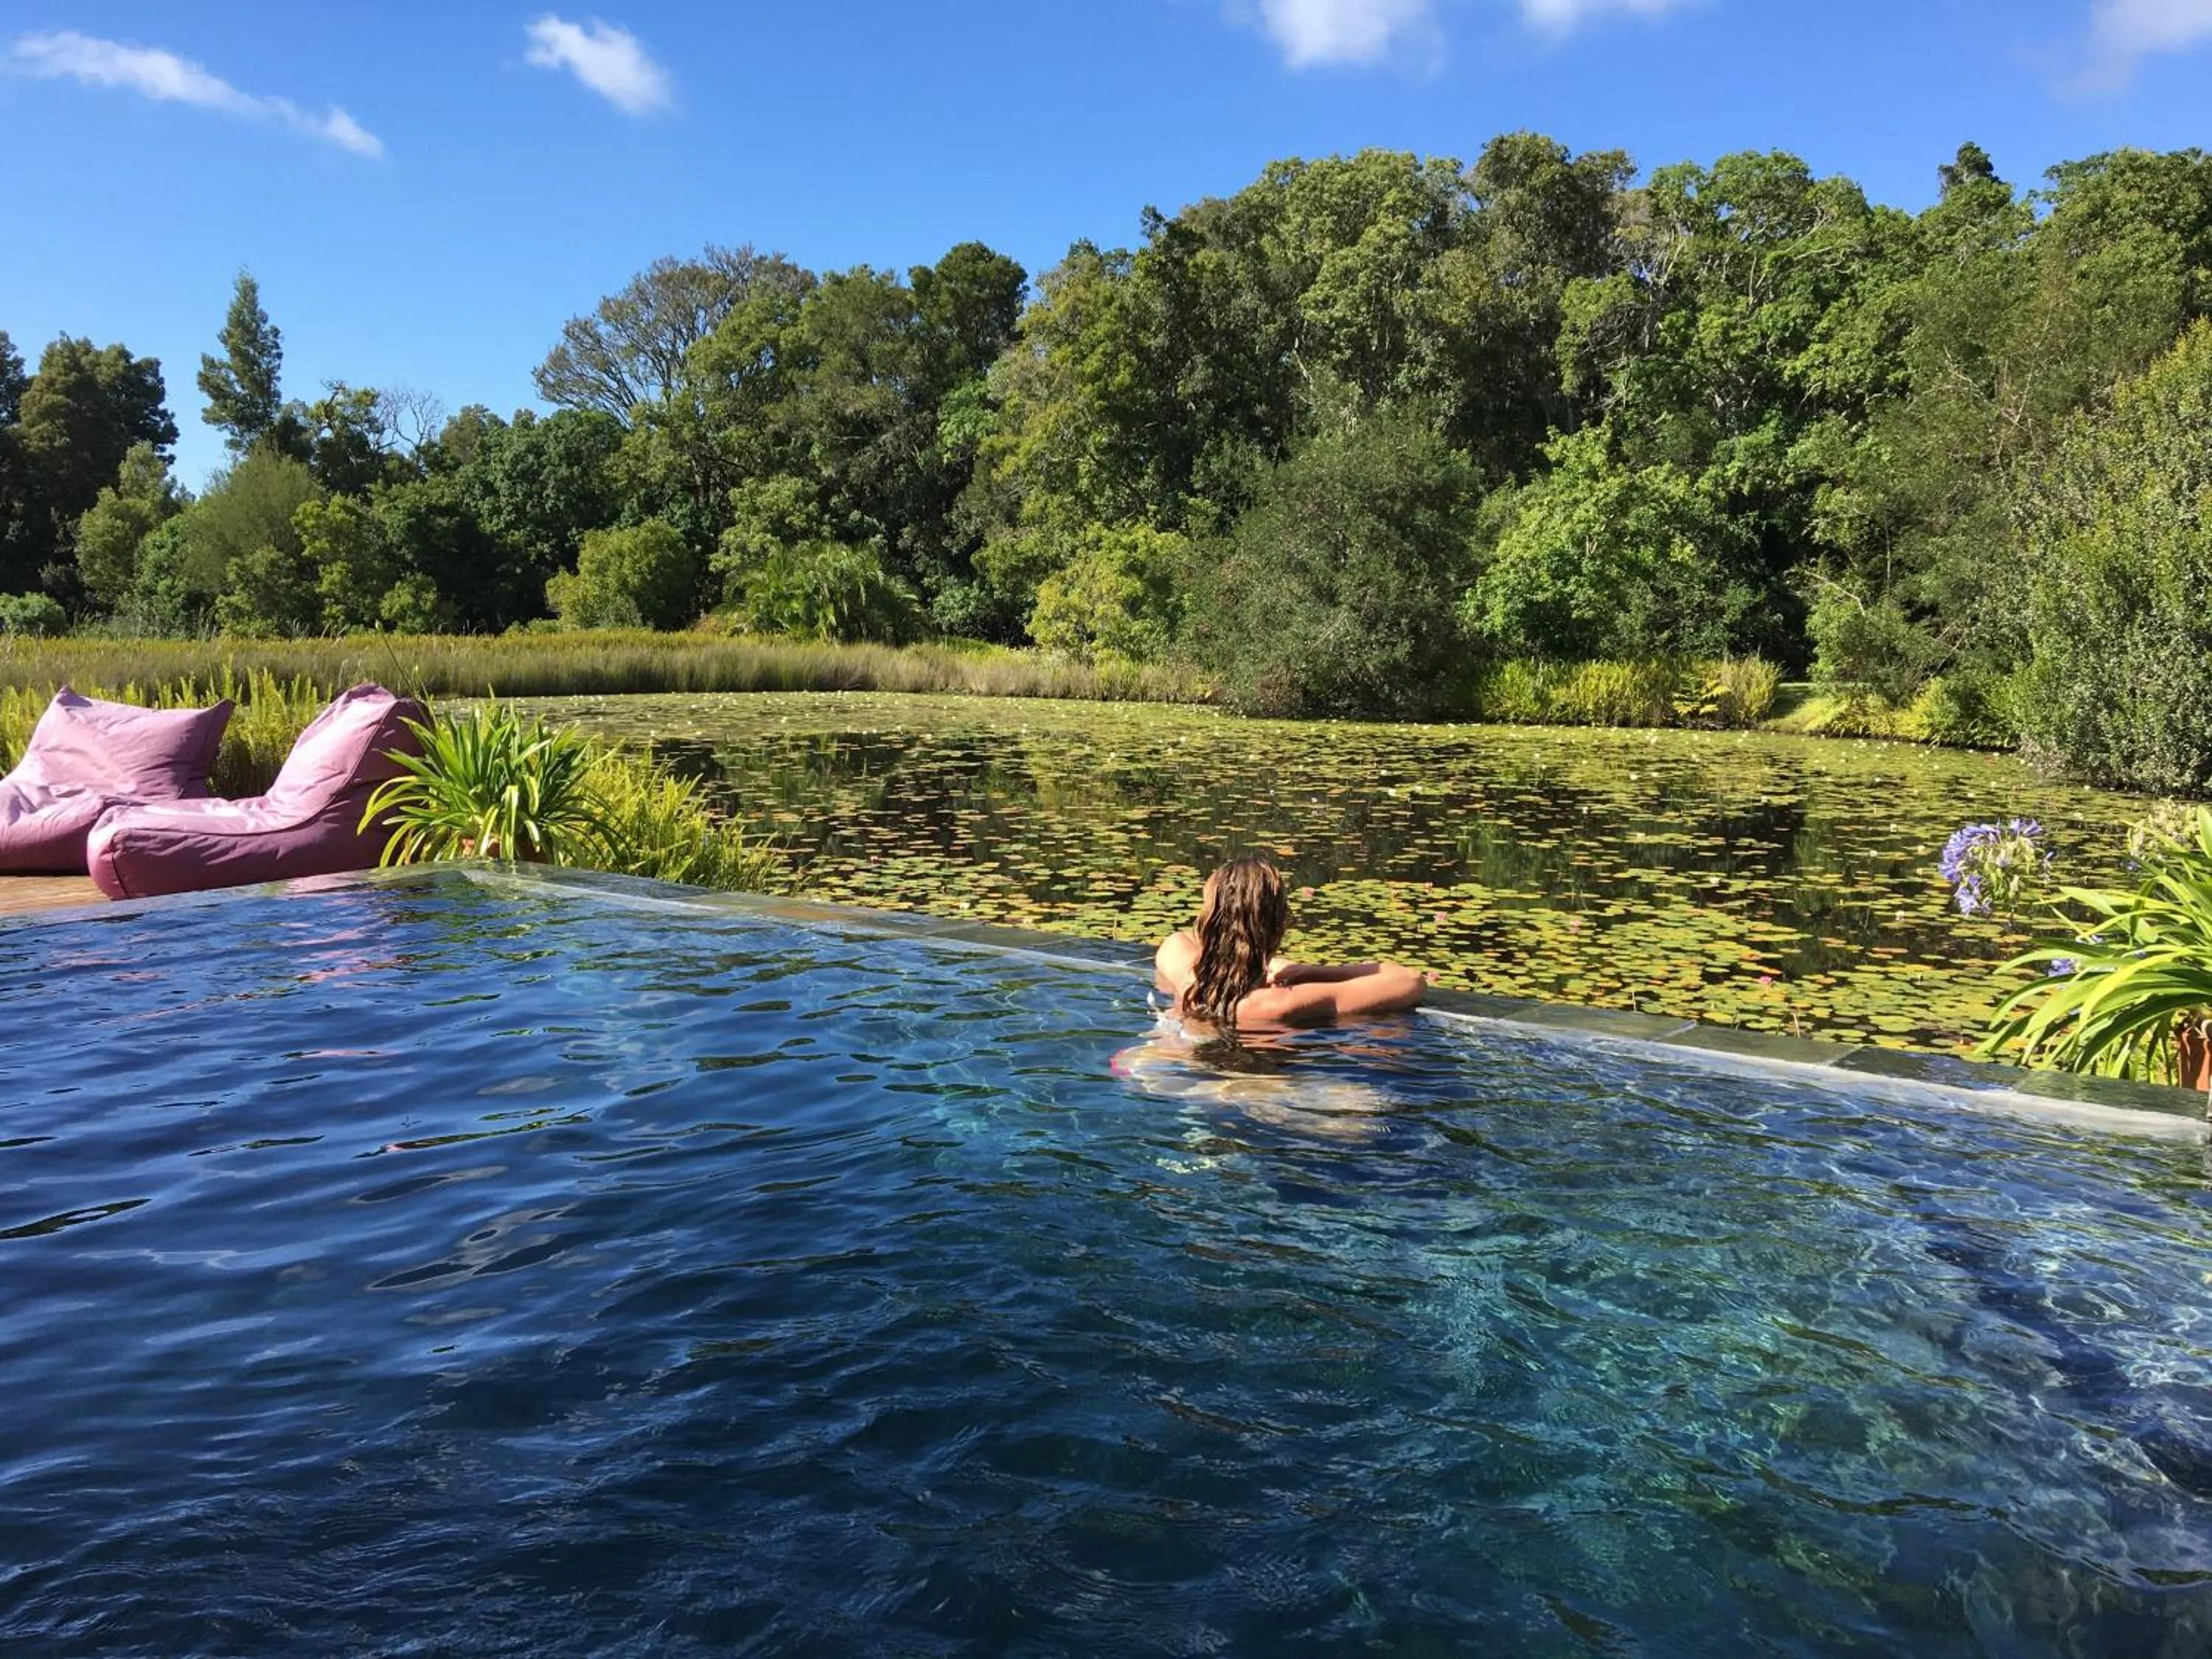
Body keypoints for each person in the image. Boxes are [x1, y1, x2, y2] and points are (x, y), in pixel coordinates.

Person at [1153, 856, 1425, 1031]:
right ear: (1278, 924)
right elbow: (1409, 980)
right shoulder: (1278, 1005)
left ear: (1208, 920)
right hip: (1260, 1097)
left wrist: (1239, 960)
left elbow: (1182, 939)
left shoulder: (1187, 979)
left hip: (1164, 1072)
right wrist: (1309, 971)